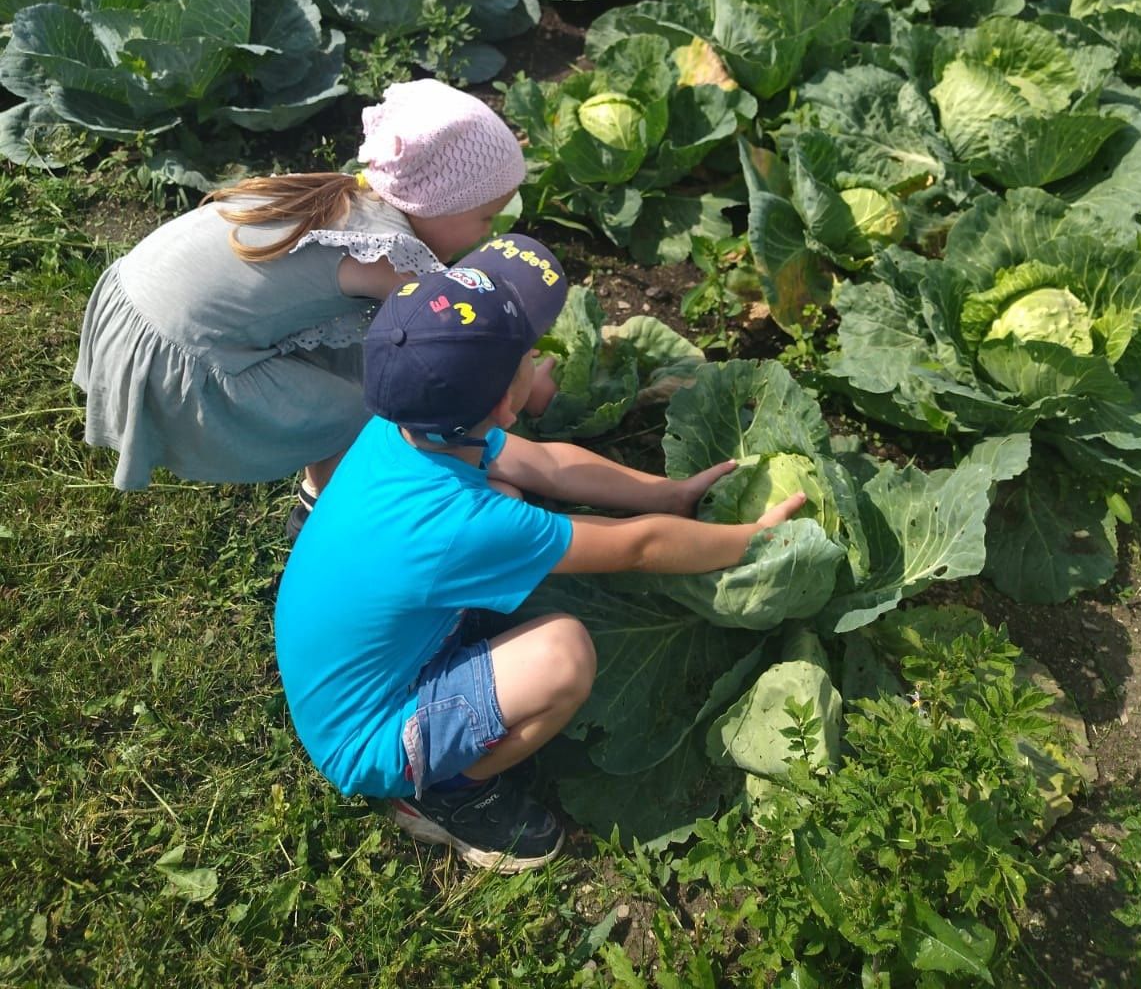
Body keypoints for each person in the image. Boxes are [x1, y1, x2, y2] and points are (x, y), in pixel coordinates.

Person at [274, 241, 808, 871]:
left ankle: (446, 720)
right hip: (367, 737)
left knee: (509, 486)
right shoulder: (466, 526)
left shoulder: (403, 431)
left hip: (340, 671)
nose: (538, 356)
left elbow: (551, 464)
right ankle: (452, 796)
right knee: (565, 654)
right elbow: (638, 549)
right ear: (505, 402)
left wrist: (669, 494)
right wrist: (748, 540)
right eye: (530, 355)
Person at [72, 80, 555, 538]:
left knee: (354, 361)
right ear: (439, 205)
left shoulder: (343, 193)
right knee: (374, 405)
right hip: (183, 357)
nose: (488, 232)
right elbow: (465, 346)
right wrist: (522, 383)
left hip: (134, 297)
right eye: (485, 217)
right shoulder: (389, 256)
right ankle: (324, 515)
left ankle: (320, 485)